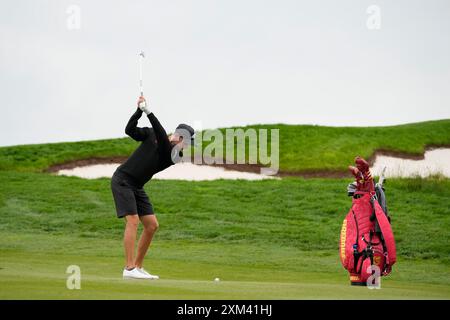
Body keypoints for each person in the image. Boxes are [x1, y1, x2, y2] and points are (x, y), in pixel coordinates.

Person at [111, 96, 194, 280]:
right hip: (123, 180)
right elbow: (129, 130)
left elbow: (164, 144)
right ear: (180, 136)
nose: (186, 147)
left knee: (151, 225)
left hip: (137, 186)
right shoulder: (151, 134)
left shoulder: (174, 155)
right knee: (133, 221)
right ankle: (129, 268)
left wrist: (150, 112)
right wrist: (139, 111)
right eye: (186, 142)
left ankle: (138, 267)